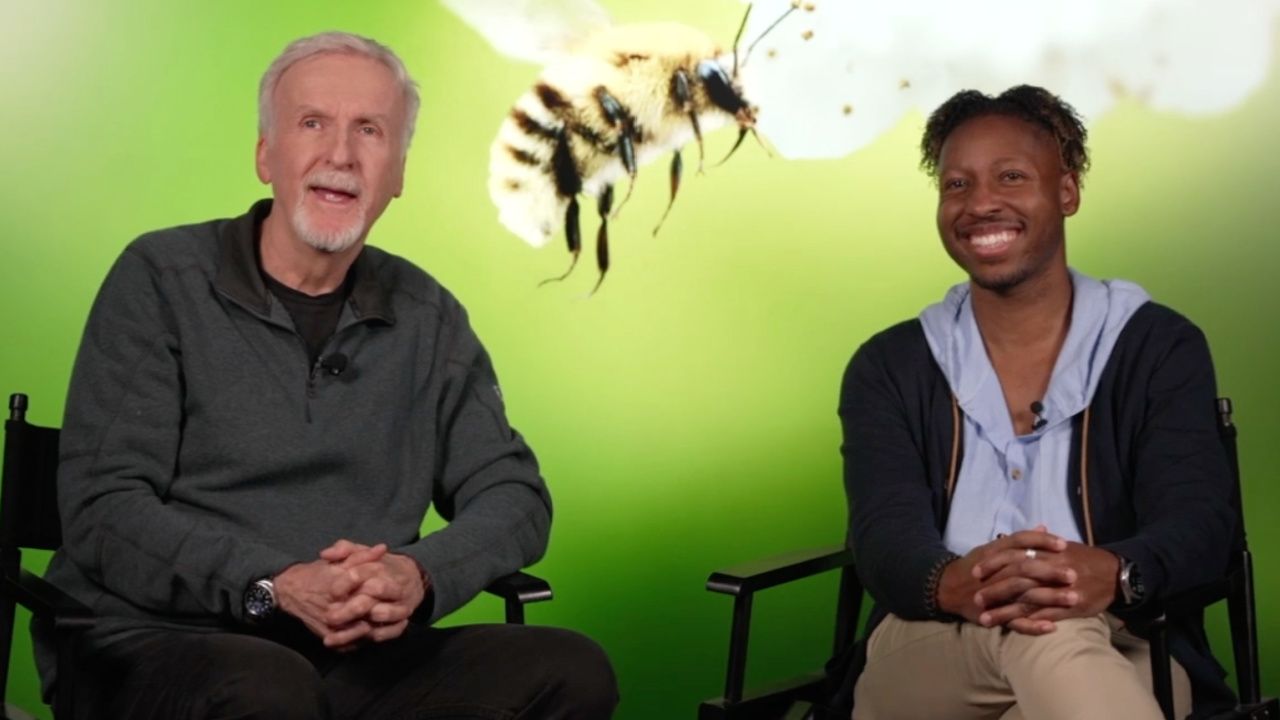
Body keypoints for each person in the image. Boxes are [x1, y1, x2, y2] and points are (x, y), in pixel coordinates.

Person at [34, 31, 618, 719]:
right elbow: (104, 508)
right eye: (313, 123)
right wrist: (272, 582)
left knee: (572, 670)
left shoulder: (428, 318)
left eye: (369, 131)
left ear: (397, 172)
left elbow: (514, 494)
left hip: (352, 661)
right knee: (268, 691)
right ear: (265, 155)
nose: (340, 155)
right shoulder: (162, 279)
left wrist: (419, 574)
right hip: (160, 643)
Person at [836, 86, 1236, 719]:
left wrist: (1113, 571)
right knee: (1056, 632)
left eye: (1012, 176)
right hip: (929, 649)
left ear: (1067, 191)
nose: (981, 203)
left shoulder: (1157, 346)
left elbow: (1202, 522)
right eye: (957, 185)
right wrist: (951, 582)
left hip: (1129, 640)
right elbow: (883, 534)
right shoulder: (890, 365)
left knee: (1067, 651)